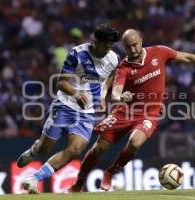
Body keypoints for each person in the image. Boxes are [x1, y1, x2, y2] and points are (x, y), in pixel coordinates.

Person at [69, 29, 195, 192]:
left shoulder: (159, 52)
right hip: (124, 112)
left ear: (141, 41)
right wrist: (121, 97)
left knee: (135, 143)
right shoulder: (124, 68)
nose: (132, 50)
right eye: (128, 47)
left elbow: (187, 57)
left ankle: (111, 171)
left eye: (135, 45)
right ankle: (79, 182)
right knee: (99, 148)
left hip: (149, 113)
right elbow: (115, 93)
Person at [16, 24, 121, 194]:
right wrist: (77, 93)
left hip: (87, 112)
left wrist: (102, 95)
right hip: (65, 105)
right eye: (105, 46)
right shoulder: (77, 54)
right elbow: (61, 83)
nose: (108, 50)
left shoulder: (113, 58)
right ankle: (35, 150)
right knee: (45, 148)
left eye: (111, 46)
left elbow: (111, 75)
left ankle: (33, 179)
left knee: (75, 150)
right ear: (95, 41)